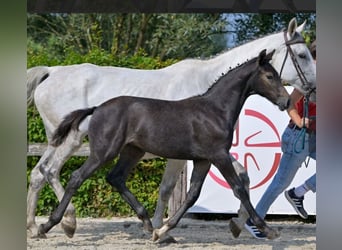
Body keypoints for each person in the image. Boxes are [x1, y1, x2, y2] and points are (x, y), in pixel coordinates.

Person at [244, 40, 316, 239]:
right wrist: (300, 121)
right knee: (279, 183)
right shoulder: (309, 82)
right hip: (298, 137)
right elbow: (289, 103)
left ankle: (299, 192)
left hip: (316, 137)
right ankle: (254, 220)